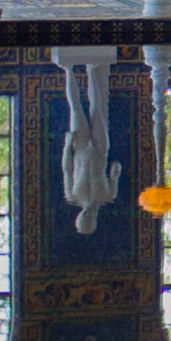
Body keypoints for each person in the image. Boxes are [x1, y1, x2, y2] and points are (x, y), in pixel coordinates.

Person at [62, 59, 121, 235]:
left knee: (75, 108)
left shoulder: (72, 196)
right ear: (93, 220)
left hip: (79, 149)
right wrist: (116, 171)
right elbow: (115, 172)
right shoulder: (108, 196)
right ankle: (90, 69)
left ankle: (69, 69)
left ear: (79, 218)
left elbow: (66, 169)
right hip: (100, 150)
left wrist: (66, 146)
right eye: (89, 220)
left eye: (84, 219)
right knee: (98, 109)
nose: (88, 216)